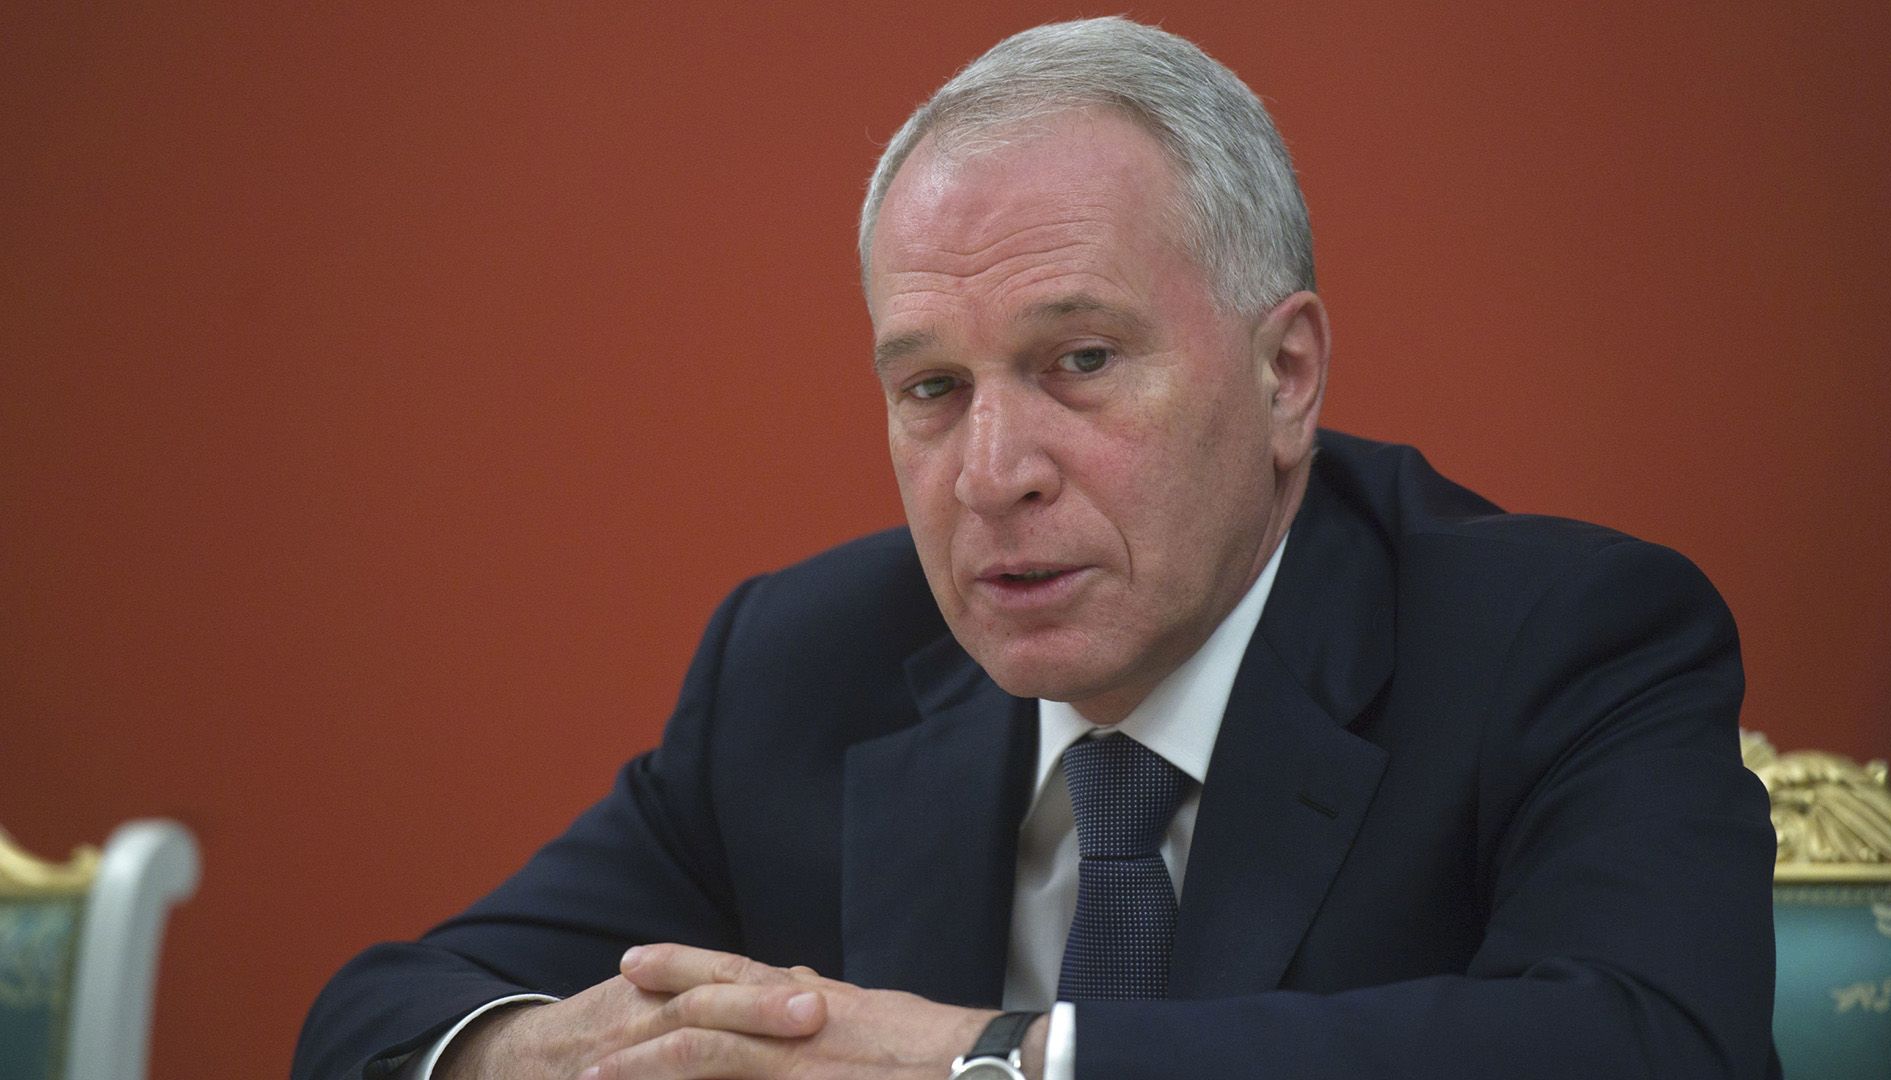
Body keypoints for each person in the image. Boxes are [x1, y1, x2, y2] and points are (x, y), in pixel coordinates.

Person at [294, 16, 1779, 1080]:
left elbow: (1654, 1043)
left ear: (1285, 377)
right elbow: (383, 1015)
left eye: (1080, 362)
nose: (993, 475)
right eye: (932, 388)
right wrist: (563, 1055)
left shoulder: (1559, 637)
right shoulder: (802, 668)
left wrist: (989, 1061)